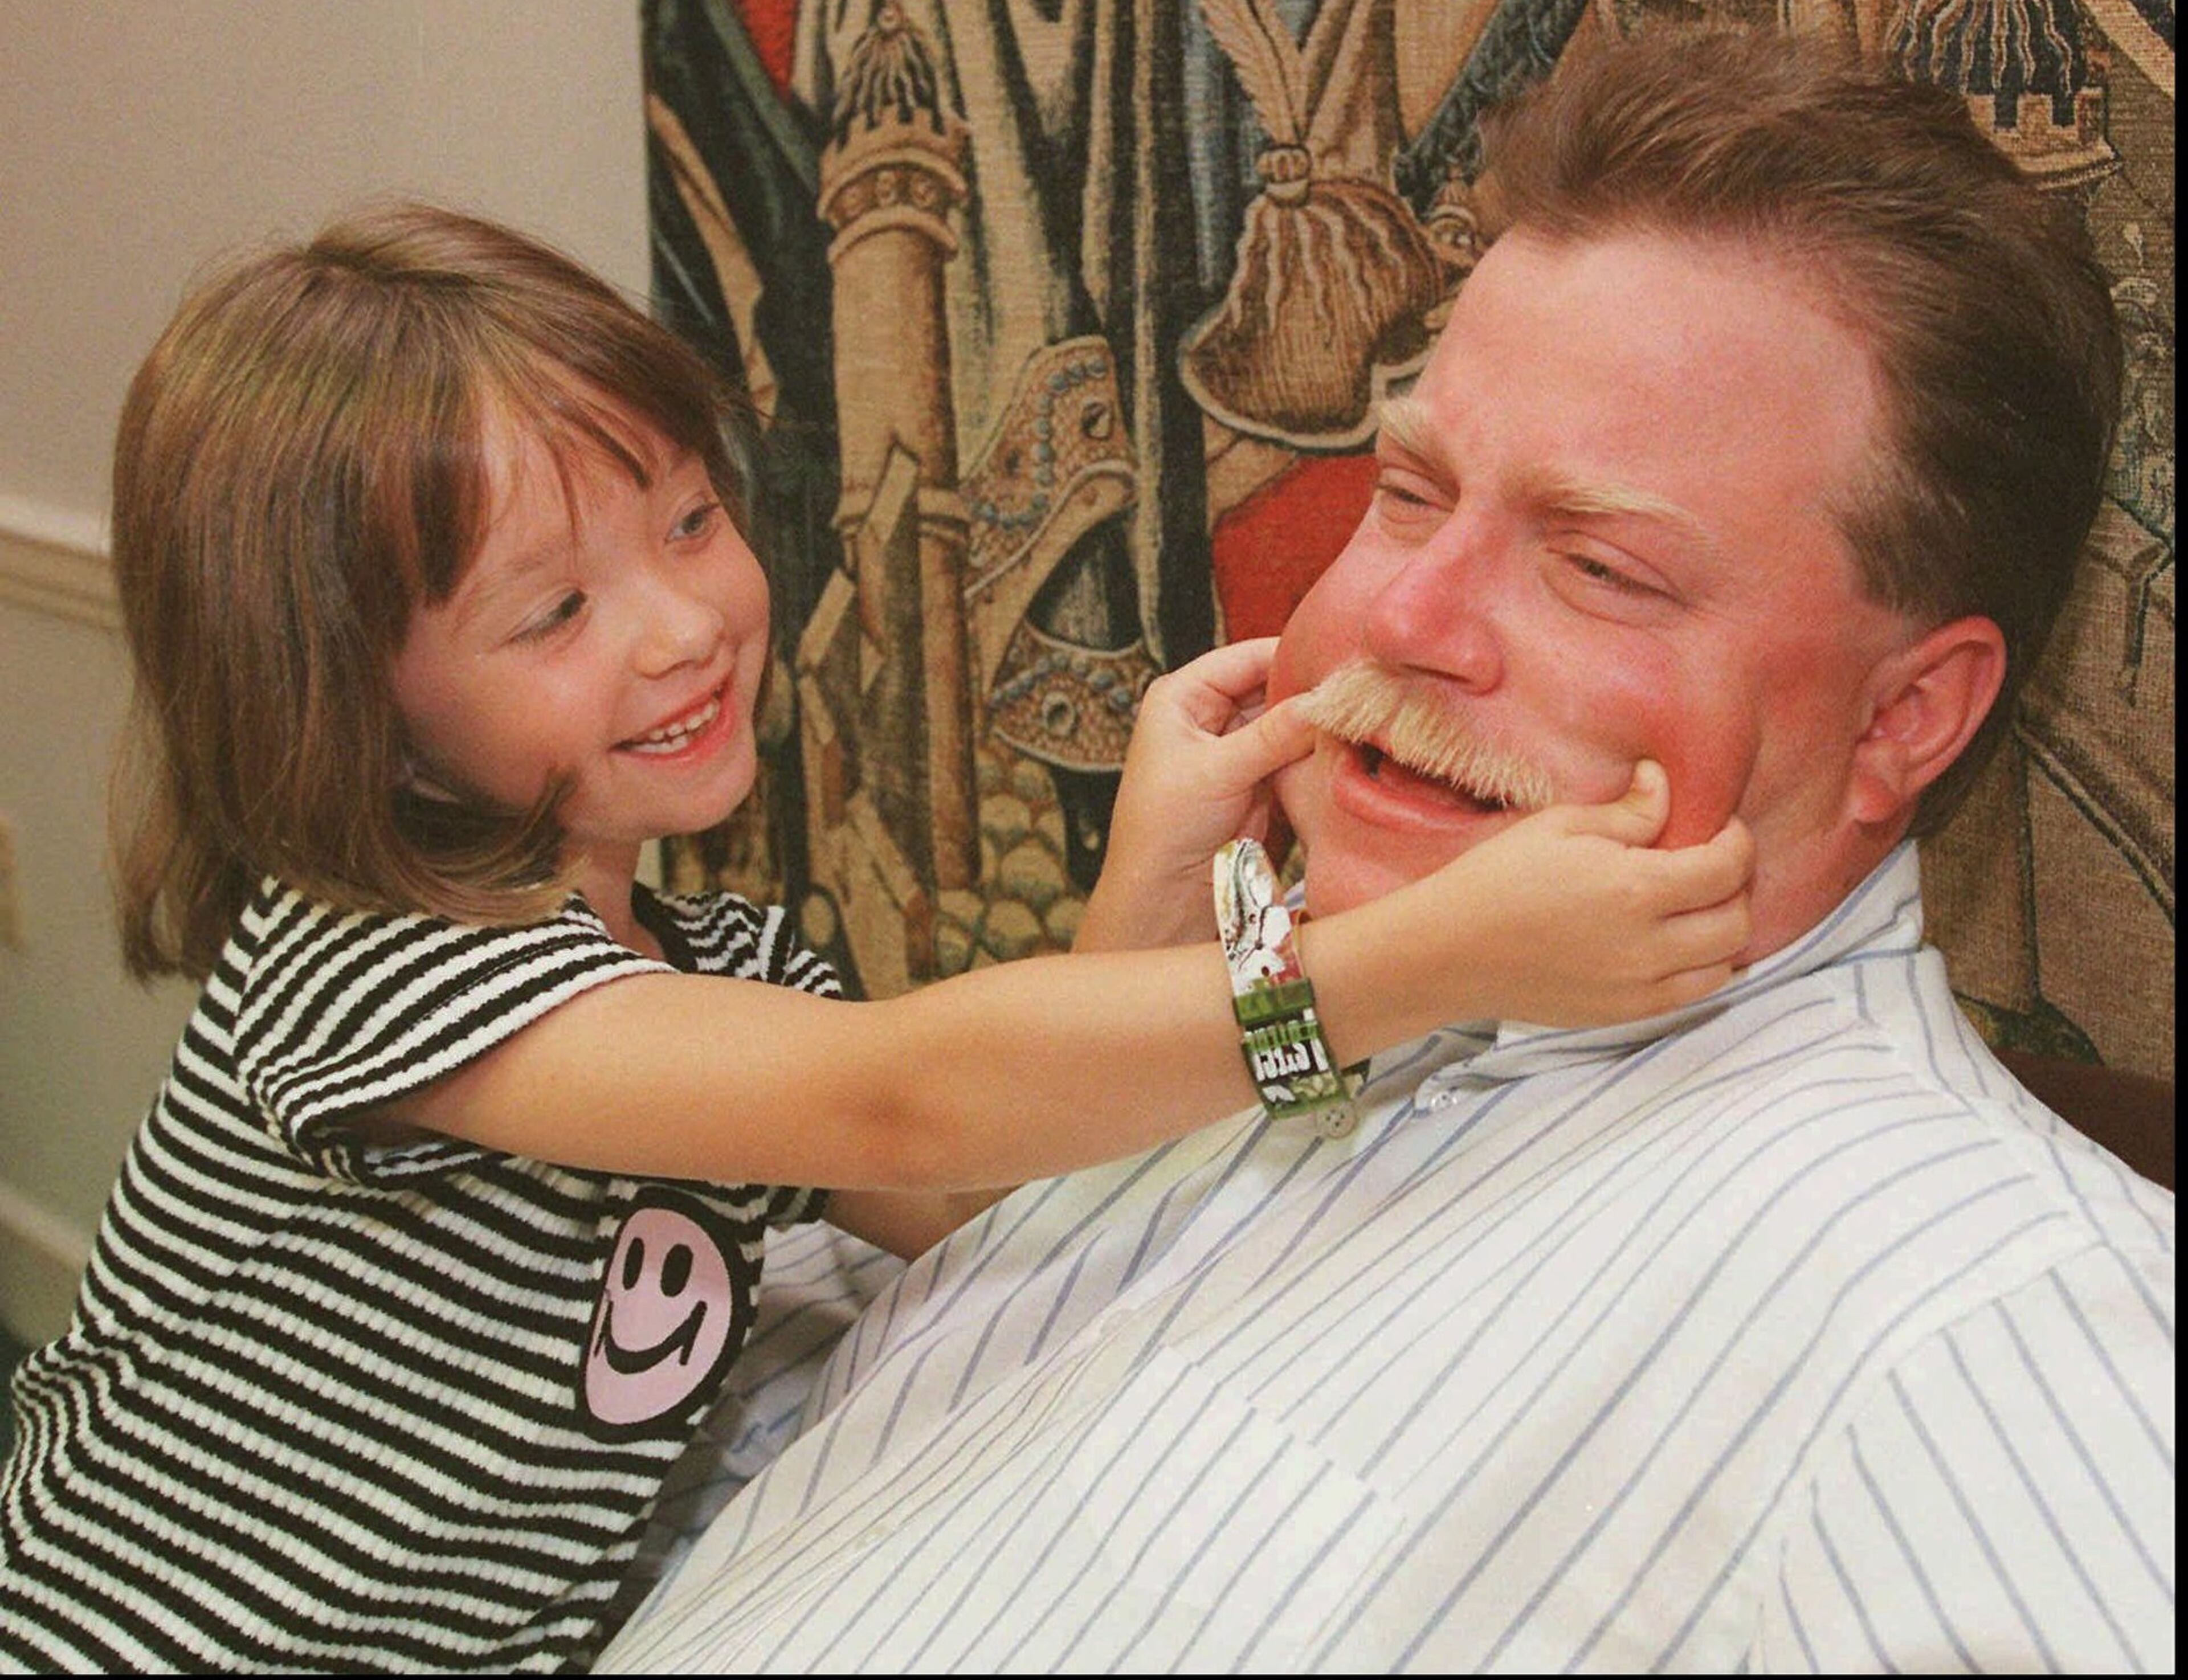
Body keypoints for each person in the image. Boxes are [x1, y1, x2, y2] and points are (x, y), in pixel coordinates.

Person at [595, 30, 2173, 1673]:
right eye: (1411, 495)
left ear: (1907, 717)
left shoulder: (1990, 1320)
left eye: (1602, 569)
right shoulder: (1251, 1011)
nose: (1399, 621)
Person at [0, 205, 1754, 1675]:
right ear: (356, 708)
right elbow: (903, 1109)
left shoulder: (734, 974)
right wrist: (1437, 964)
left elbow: (973, 1198)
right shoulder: (364, 969)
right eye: (555, 611)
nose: (690, 624)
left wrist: (1152, 887)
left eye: (690, 519)